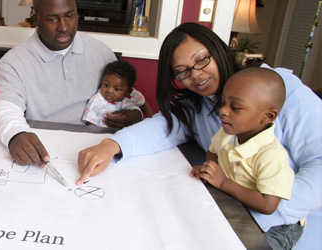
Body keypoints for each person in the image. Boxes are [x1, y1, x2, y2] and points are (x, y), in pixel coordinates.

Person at [77, 22, 321, 249]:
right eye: (182, 72)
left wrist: (264, 209)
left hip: (274, 216)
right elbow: (161, 127)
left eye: (202, 60)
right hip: (224, 202)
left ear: (219, 50)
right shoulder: (194, 105)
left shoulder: (279, 88)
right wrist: (112, 144)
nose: (195, 75)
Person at [0, 0, 126, 167]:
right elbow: (6, 106)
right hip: (44, 151)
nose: (63, 27)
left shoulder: (102, 52)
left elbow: (127, 98)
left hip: (97, 148)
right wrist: (15, 134)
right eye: (52, 19)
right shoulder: (12, 63)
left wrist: (134, 114)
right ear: (35, 18)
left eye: (69, 16)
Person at [191, 68, 303, 249]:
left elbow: (268, 205)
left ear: (268, 116)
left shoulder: (271, 155)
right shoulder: (227, 132)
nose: (223, 111)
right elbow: (213, 151)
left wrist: (223, 182)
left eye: (235, 107)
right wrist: (209, 169)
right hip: (238, 207)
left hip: (278, 226)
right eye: (223, 102)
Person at [82, 60, 153, 127]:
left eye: (116, 89)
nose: (109, 91)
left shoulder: (133, 95)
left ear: (128, 91)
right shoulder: (97, 100)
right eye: (106, 85)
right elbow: (91, 125)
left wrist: (151, 121)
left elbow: (144, 104)